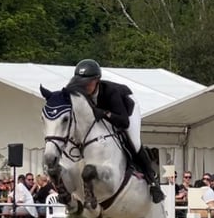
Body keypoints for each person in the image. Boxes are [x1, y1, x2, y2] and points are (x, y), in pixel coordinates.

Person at [67, 59, 163, 203]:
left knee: (134, 142)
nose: (84, 86)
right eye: (81, 82)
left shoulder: (111, 92)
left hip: (126, 109)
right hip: (104, 112)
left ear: (97, 80)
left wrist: (105, 113)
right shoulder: (75, 89)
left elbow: (123, 122)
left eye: (88, 83)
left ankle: (153, 182)